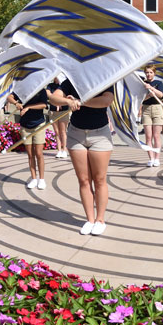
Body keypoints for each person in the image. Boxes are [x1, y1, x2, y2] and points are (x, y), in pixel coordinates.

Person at [57, 79, 115, 235]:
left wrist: (80, 101)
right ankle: (90, 219)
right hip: (76, 133)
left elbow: (106, 100)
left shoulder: (105, 78)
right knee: (83, 180)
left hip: (100, 134)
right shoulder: (71, 80)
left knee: (100, 179)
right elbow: (54, 98)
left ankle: (100, 220)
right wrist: (66, 100)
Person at [15, 81, 65, 191]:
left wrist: (28, 107)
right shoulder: (22, 90)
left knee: (38, 153)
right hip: (25, 125)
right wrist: (15, 103)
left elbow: (43, 104)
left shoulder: (41, 90)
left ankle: (41, 179)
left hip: (38, 125)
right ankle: (33, 178)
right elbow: (10, 96)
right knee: (30, 154)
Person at [140, 66, 163, 167]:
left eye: (151, 72)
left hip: (157, 109)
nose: (149, 74)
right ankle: (150, 158)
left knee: (156, 136)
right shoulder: (142, 83)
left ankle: (157, 158)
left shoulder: (158, 83)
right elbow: (141, 98)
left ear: (154, 73)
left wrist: (151, 88)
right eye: (147, 72)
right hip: (146, 109)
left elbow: (160, 94)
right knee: (148, 136)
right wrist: (148, 94)